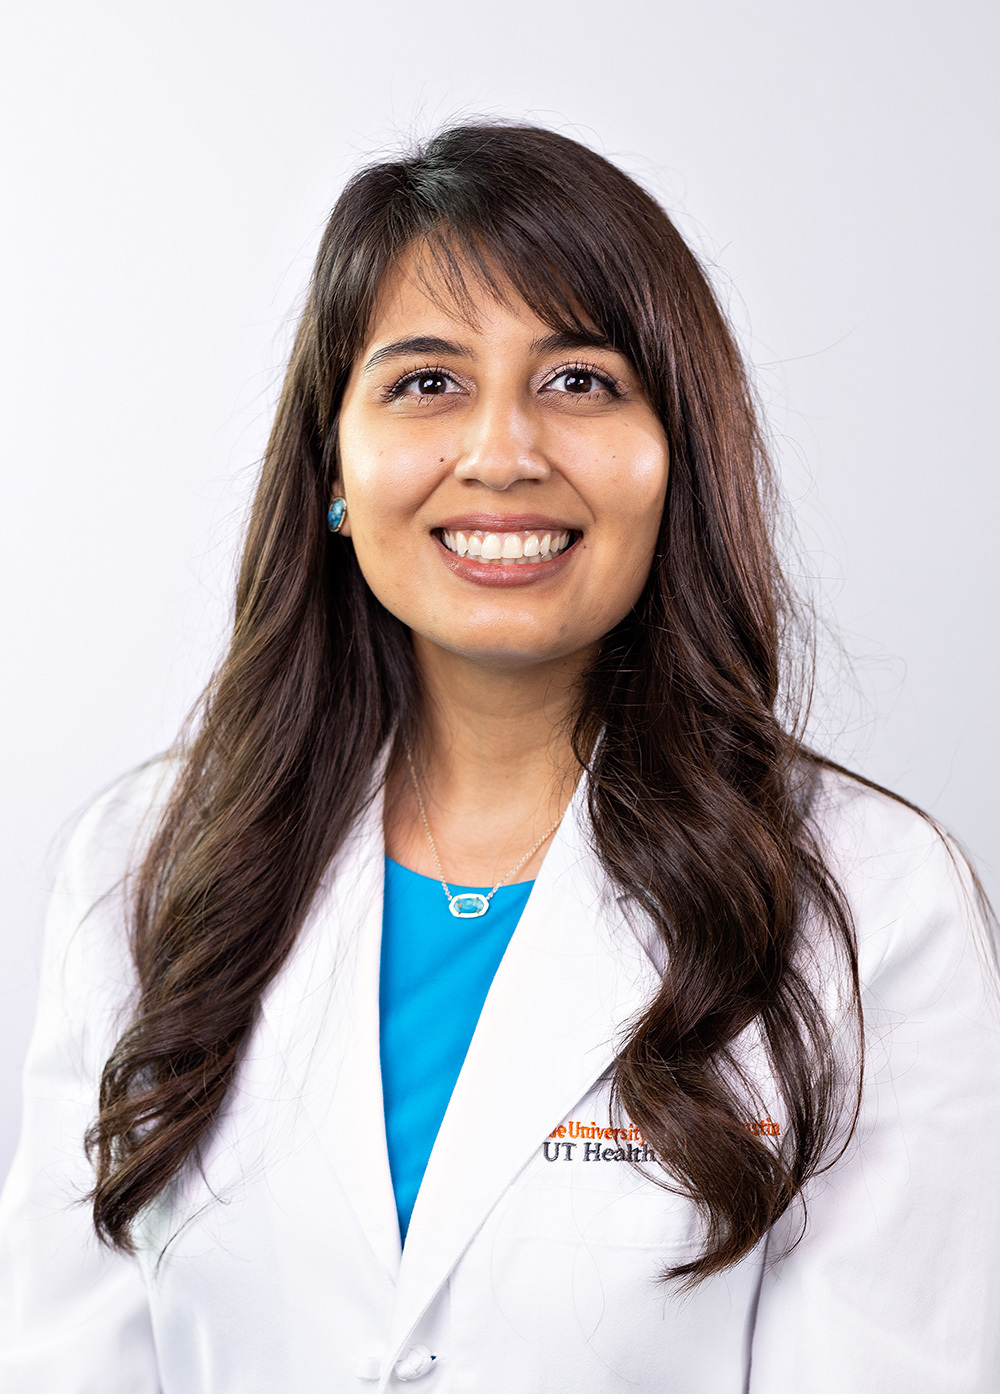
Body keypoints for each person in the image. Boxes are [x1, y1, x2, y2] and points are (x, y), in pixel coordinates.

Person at [1, 121, 998, 1393]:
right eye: (426, 382)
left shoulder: (871, 898)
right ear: (334, 464)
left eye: (579, 379)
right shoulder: (139, 867)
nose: (503, 453)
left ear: (673, 453)